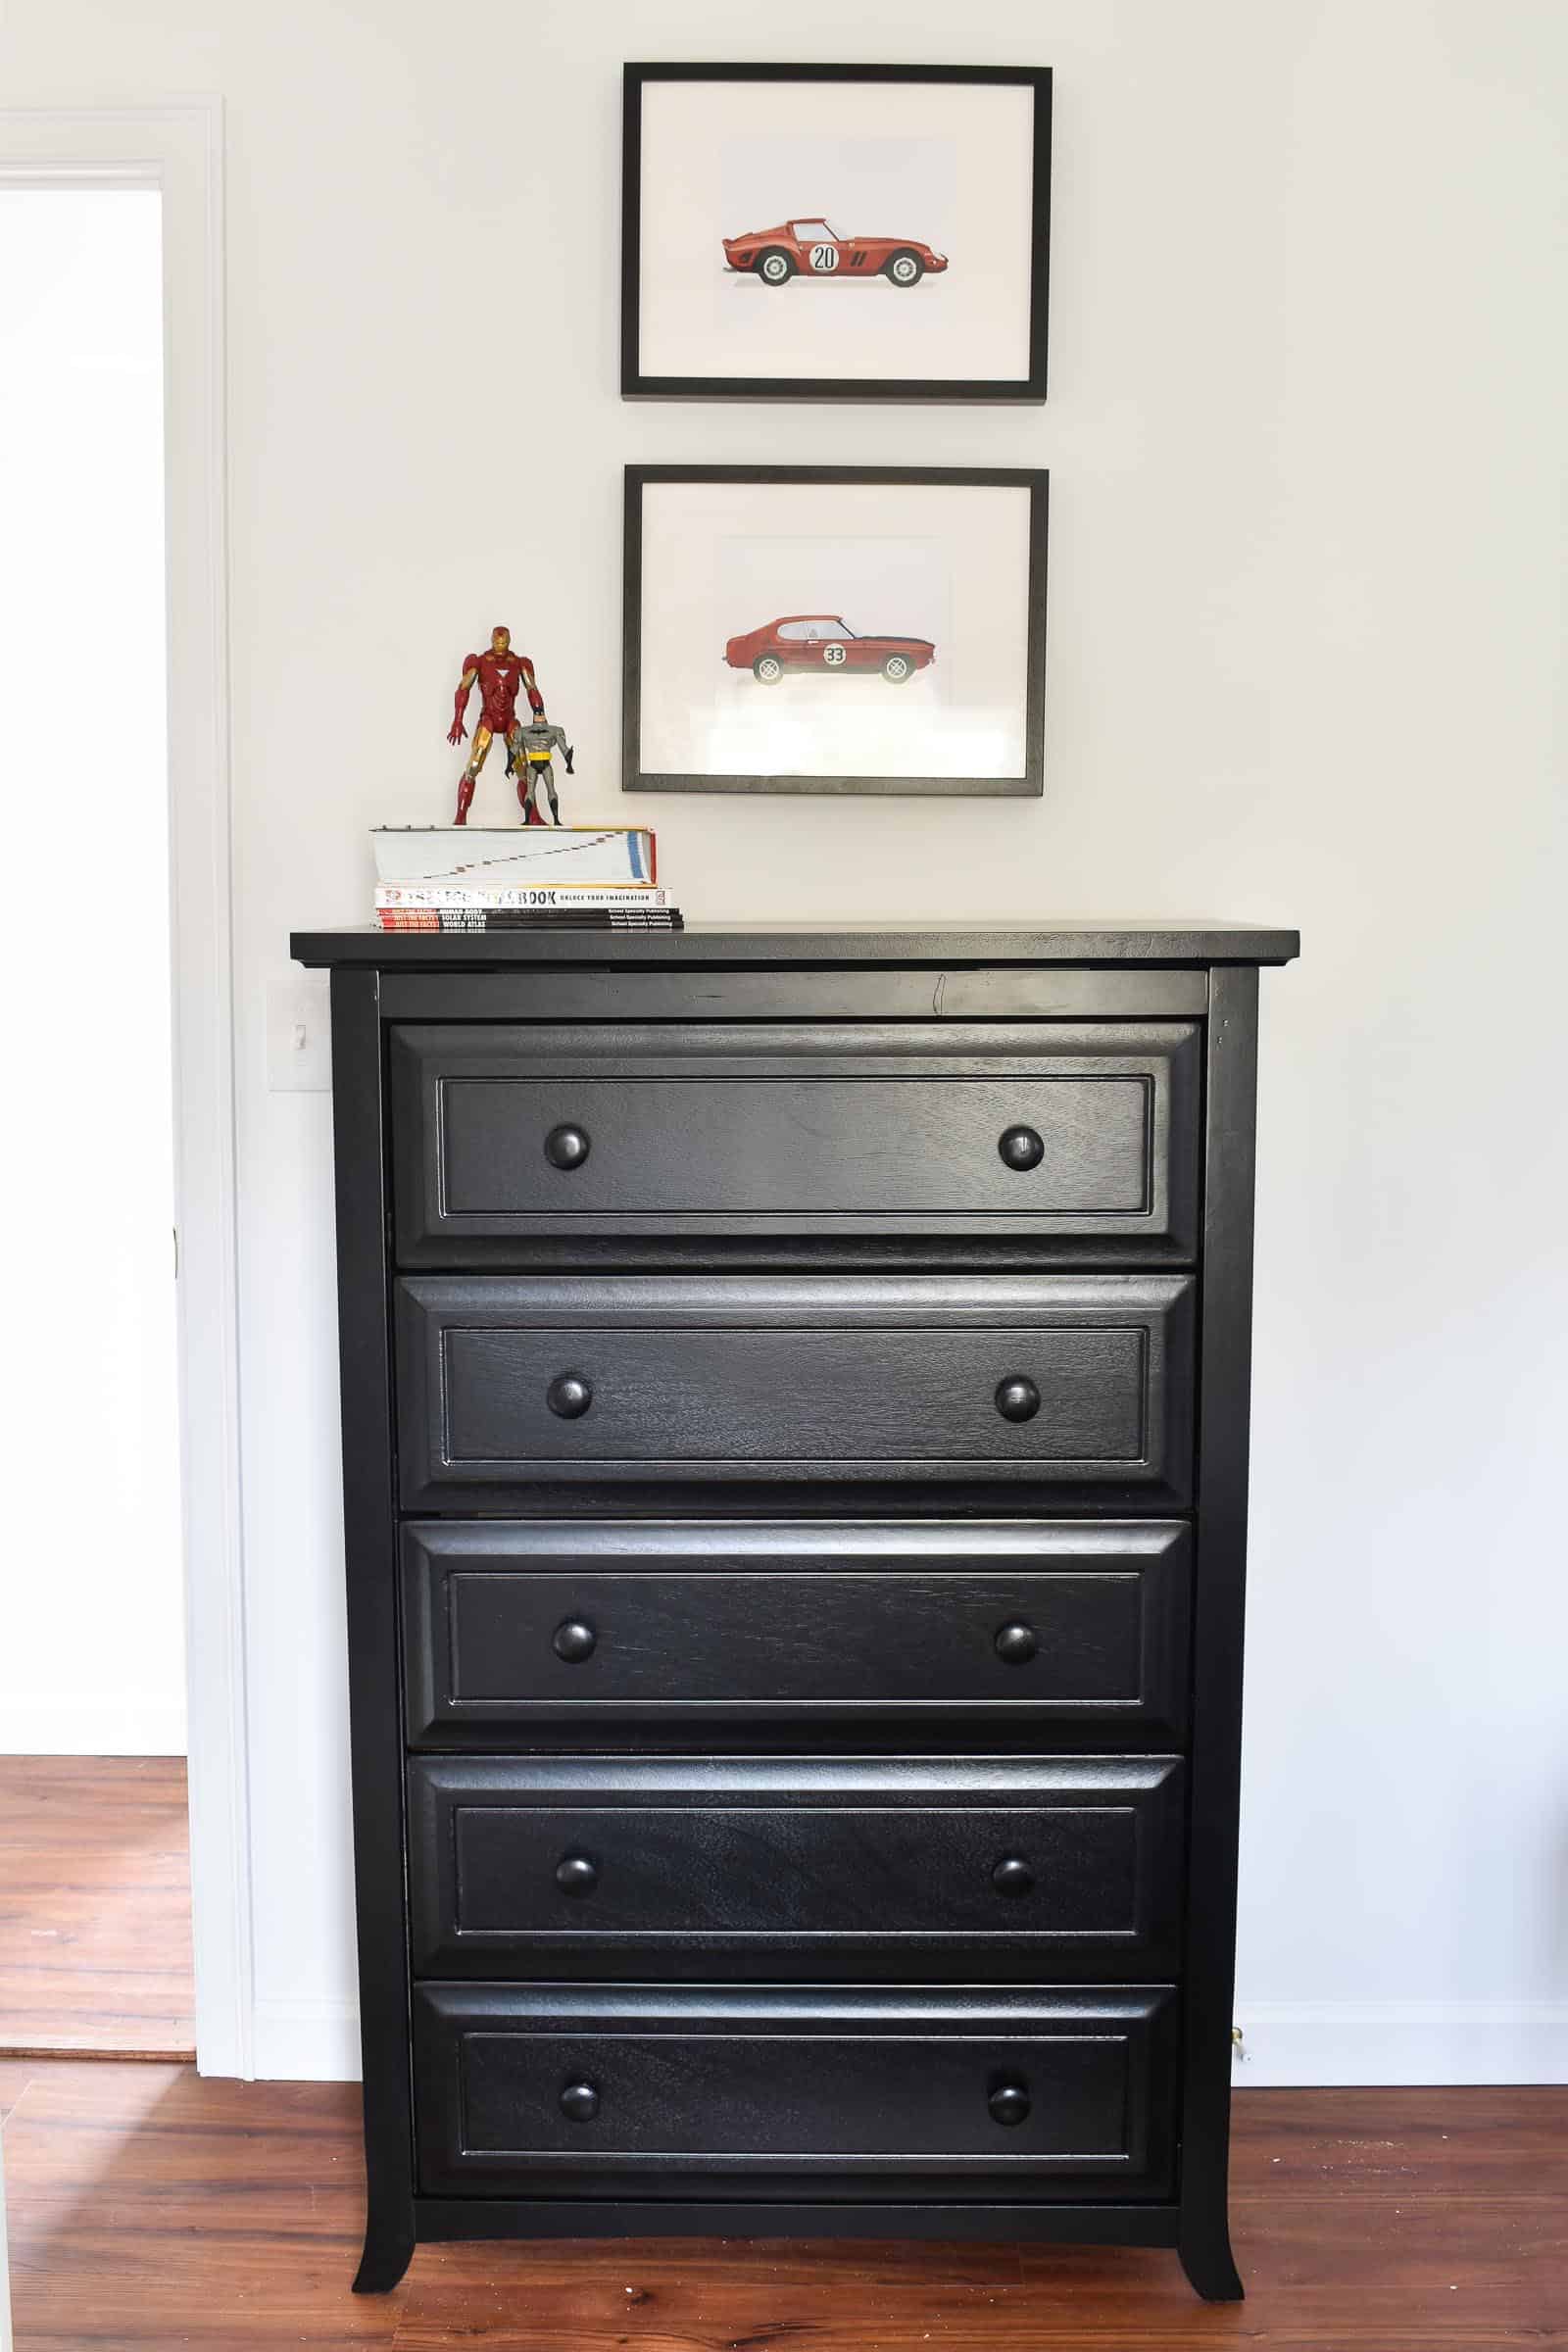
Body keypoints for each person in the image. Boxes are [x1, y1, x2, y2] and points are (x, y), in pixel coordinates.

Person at [446, 624, 546, 824]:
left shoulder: (519, 663)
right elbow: (463, 688)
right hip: (489, 718)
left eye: (504, 640)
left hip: (510, 719)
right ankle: (460, 817)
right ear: (492, 640)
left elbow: (532, 689)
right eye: (497, 640)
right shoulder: (480, 662)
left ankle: (533, 816)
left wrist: (540, 716)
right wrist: (457, 720)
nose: (500, 643)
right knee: (474, 764)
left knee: (524, 769)